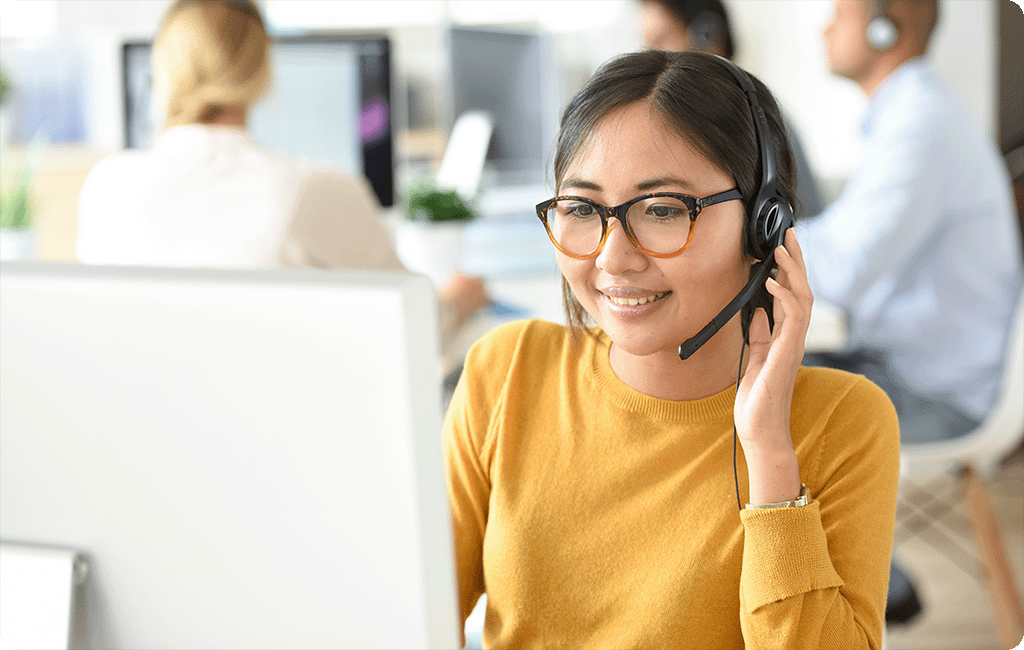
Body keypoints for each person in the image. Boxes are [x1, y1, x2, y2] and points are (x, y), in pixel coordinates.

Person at [444, 49, 899, 649]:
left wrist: (768, 456)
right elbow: (407, 609)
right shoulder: (505, 369)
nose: (611, 258)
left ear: (765, 224)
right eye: (582, 208)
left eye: (661, 210)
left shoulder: (844, 422)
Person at [800, 0, 1023, 624]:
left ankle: (850, 596)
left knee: (755, 405)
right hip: (910, 365)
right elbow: (845, 247)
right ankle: (864, 578)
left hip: (941, 394)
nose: (824, 26)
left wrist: (747, 237)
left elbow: (843, 270)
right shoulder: (907, 117)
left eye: (837, 12)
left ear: (884, 24)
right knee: (758, 380)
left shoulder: (920, 125)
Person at [76, 0, 487, 338]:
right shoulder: (313, 188)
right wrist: (455, 301)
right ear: (262, 71)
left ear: (161, 71)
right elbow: (415, 322)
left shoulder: (106, 187)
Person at [637, 0, 826, 220]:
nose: (648, 60)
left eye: (661, 40)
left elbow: (806, 225)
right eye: (646, 46)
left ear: (706, 36)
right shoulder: (657, 126)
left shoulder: (760, 122)